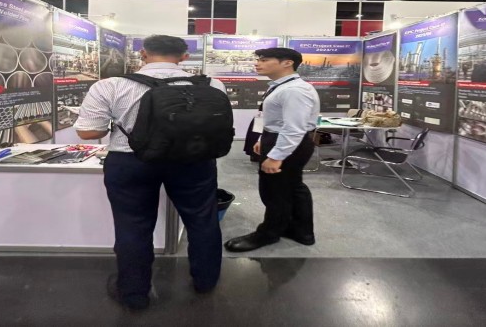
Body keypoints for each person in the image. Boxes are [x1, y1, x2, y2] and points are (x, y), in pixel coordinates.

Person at [74, 35, 226, 311]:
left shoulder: (109, 85)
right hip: (193, 160)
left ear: (143, 54)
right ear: (184, 57)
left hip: (130, 160)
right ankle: (206, 281)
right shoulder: (212, 85)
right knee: (202, 220)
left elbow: (89, 132)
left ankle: (134, 293)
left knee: (132, 224)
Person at [225, 47, 320, 253]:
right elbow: (277, 119)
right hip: (279, 138)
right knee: (292, 187)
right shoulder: (282, 86)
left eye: (265, 60)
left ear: (287, 63)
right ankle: (301, 231)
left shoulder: (294, 90)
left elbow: (294, 128)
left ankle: (268, 233)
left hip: (288, 142)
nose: (258, 63)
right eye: (259, 59)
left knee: (275, 190)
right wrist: (263, 137)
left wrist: (276, 156)